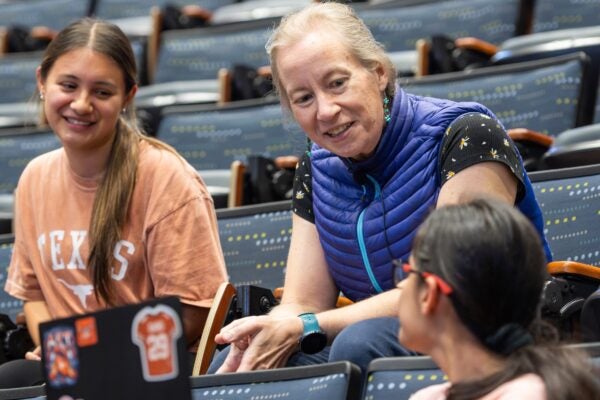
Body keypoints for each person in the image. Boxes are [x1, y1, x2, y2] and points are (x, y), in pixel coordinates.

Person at [209, 2, 551, 375]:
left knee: (361, 341)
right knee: (235, 361)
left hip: (487, 339)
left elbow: (445, 289)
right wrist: (270, 329)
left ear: (379, 73)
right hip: (382, 339)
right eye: (303, 98)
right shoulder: (317, 166)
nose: (325, 111)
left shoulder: (466, 135)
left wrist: (308, 325)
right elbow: (304, 301)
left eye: (337, 83)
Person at [0, 18, 227, 387]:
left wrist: (93, 354)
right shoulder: (34, 179)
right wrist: (62, 348)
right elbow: (35, 297)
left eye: (102, 92)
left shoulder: (166, 177)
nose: (81, 104)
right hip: (71, 365)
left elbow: (194, 313)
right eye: (68, 85)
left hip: (148, 364)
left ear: (128, 97)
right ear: (43, 82)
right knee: (8, 380)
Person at [397, 198, 600, 399]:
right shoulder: (428, 397)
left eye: (407, 273)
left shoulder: (528, 395)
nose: (401, 285)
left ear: (429, 294)